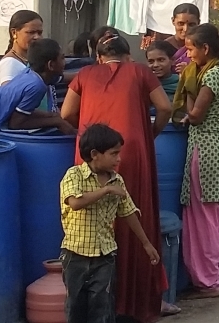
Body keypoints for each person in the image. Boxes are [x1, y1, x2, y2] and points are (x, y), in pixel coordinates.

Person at [59, 32, 174, 320]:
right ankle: (134, 303)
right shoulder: (139, 71)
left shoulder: (85, 74)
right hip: (131, 151)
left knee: (89, 218)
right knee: (131, 215)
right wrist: (149, 133)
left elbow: (66, 113)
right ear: (127, 56)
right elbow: (165, 107)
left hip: (92, 152)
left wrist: (89, 136)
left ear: (99, 57)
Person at [60, 124, 161, 323]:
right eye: (114, 154)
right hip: (75, 256)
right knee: (76, 306)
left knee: (103, 305)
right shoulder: (74, 175)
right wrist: (105, 191)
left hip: (105, 256)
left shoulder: (117, 181)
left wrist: (146, 244)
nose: (119, 159)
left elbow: (129, 212)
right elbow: (75, 202)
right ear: (95, 154)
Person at [174, 24, 219, 298]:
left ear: (206, 49)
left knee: (203, 219)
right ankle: (218, 275)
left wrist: (189, 88)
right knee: (216, 215)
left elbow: (196, 115)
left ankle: (208, 280)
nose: (188, 55)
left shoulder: (211, 75)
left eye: (190, 49)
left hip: (206, 150)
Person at [0, 38, 74, 139]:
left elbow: (21, 113)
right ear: (50, 65)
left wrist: (49, 115)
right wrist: (56, 121)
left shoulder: (31, 75)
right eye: (62, 58)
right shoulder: (36, 86)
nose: (65, 62)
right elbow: (16, 123)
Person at [0, 10, 45, 86]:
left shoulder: (31, 60)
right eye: (31, 32)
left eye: (40, 33)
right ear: (14, 33)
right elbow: (9, 95)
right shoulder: (9, 64)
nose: (37, 37)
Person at [163, 3, 201, 73]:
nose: (186, 29)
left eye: (191, 24)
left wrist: (189, 72)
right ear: (173, 21)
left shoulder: (201, 48)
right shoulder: (163, 48)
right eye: (181, 23)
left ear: (198, 23)